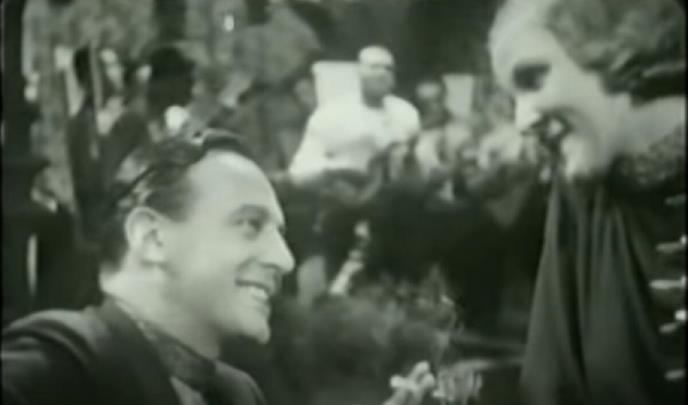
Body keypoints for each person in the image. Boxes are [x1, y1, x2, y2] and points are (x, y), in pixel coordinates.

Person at [2, 129, 435, 405]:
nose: (284, 259)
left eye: (280, 233)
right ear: (152, 238)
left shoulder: (236, 394)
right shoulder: (50, 371)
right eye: (250, 225)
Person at [488, 0, 685, 404]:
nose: (523, 121)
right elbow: (550, 385)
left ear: (616, 49)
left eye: (533, 79)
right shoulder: (579, 195)